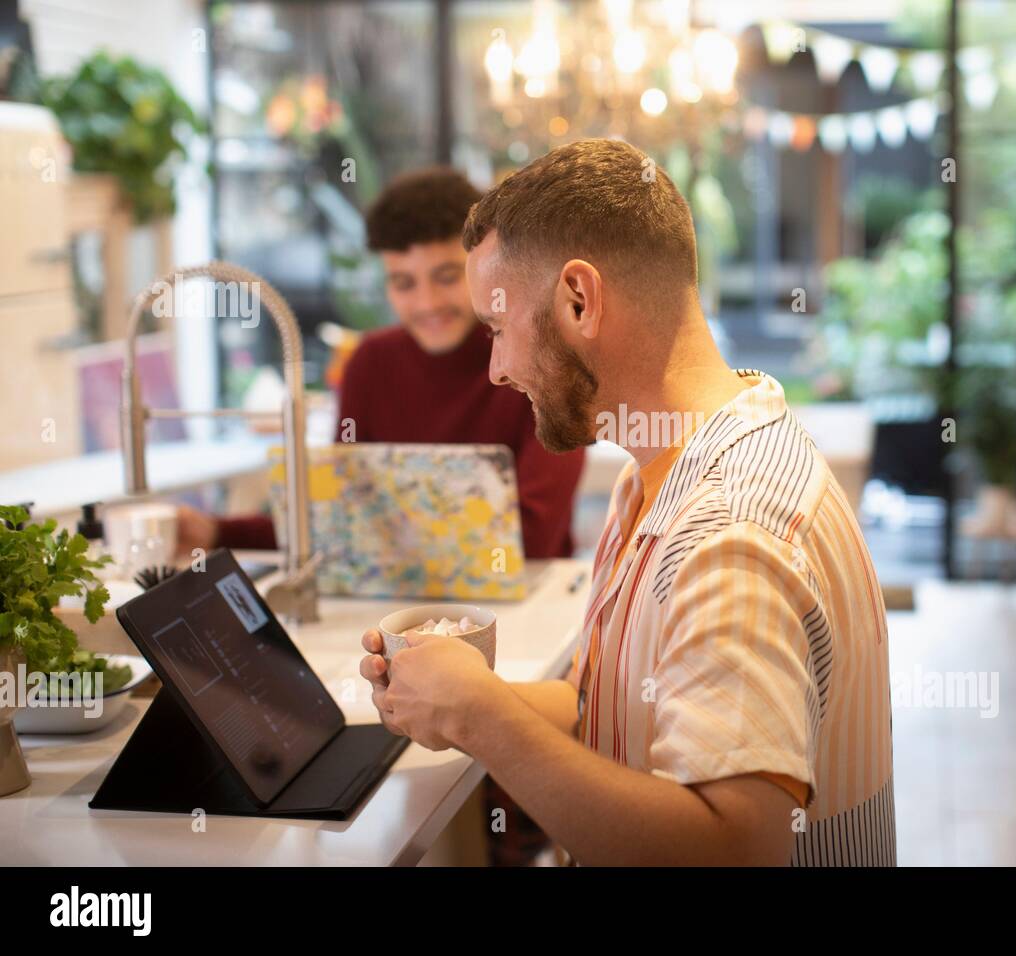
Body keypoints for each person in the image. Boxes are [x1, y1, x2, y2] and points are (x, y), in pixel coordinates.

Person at [360, 139, 896, 866]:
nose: (496, 369)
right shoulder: (663, 471)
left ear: (579, 299)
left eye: (497, 327)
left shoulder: (727, 533)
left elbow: (734, 848)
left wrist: (482, 716)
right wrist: (456, 696)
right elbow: (602, 704)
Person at [176, 166, 585, 561]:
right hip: (398, 611)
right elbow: (340, 516)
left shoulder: (541, 358)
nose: (427, 303)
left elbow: (534, 537)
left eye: (446, 276)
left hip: (530, 609)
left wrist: (377, 533)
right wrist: (216, 532)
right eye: (404, 283)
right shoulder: (370, 363)